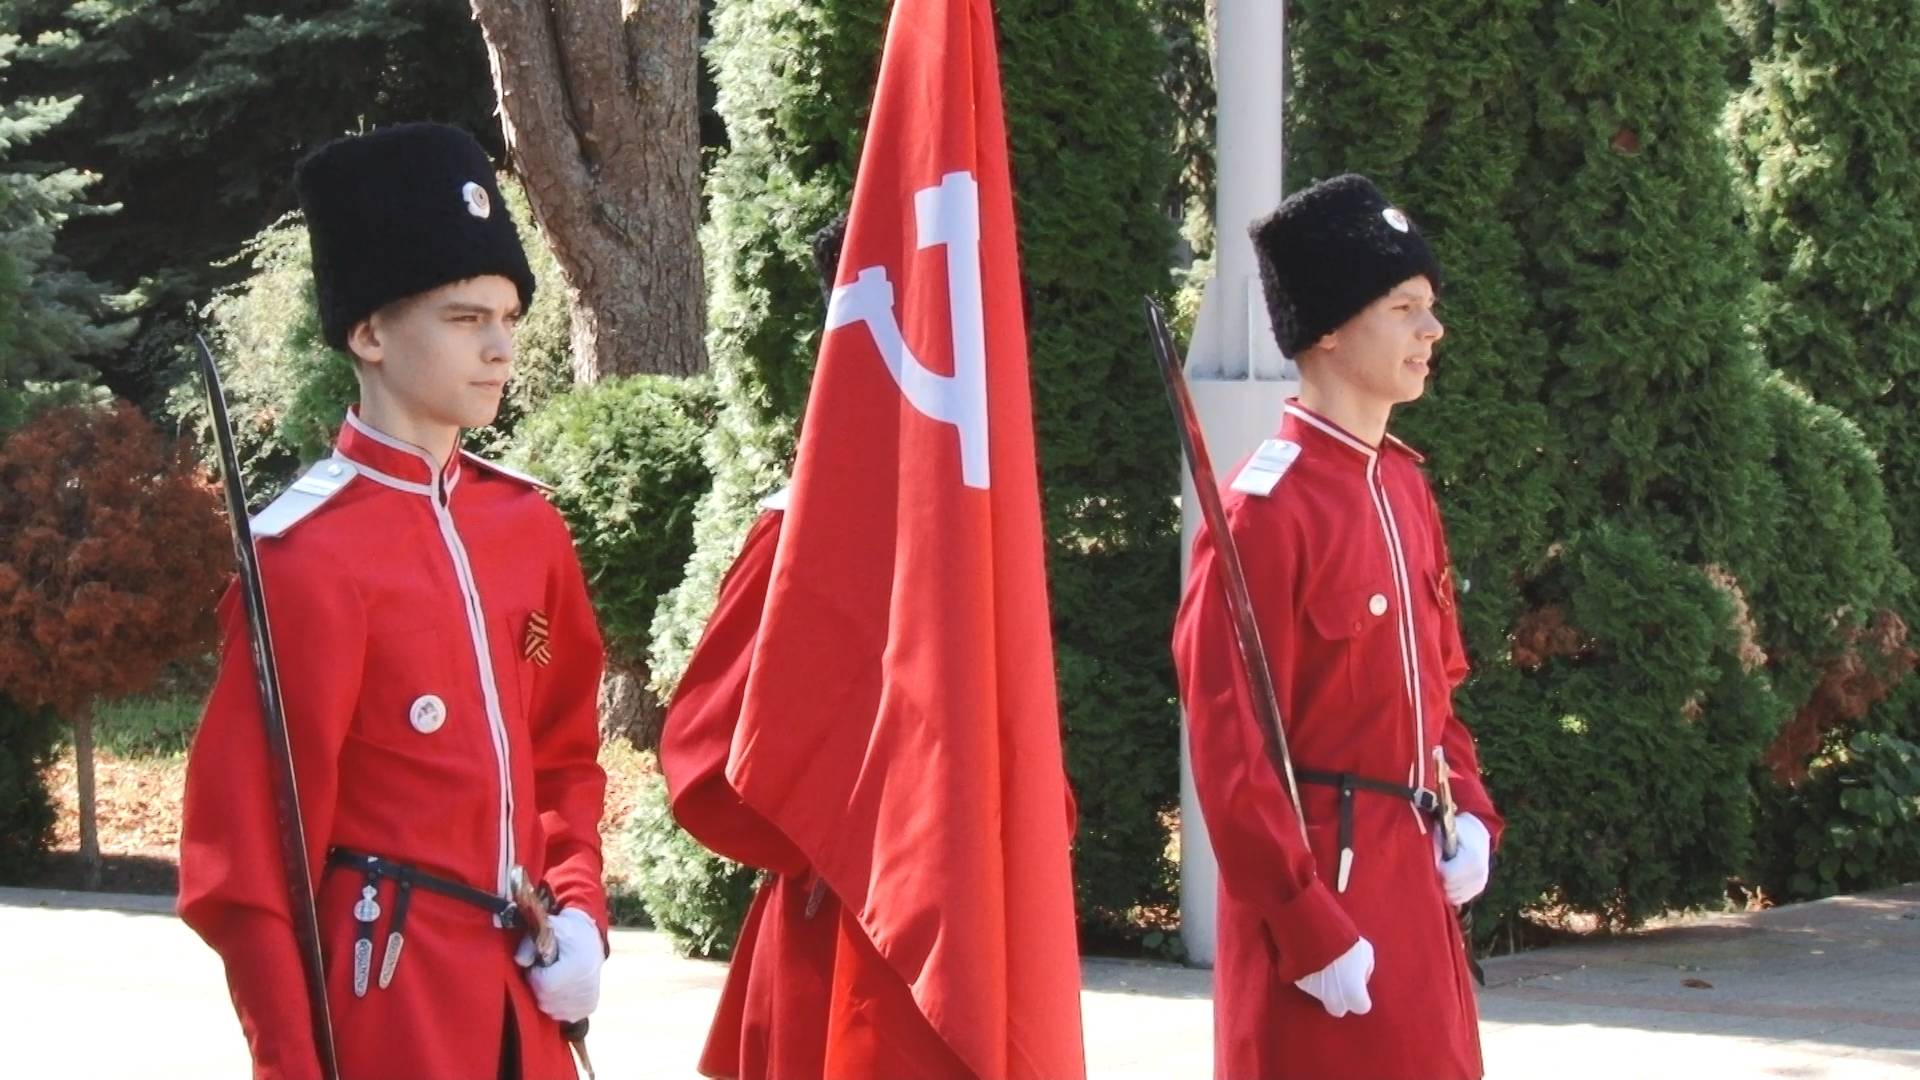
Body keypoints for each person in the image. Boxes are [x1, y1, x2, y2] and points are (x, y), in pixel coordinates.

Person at [178, 122, 608, 1080]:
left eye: (509, 318)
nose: (499, 348)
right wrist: (295, 1067)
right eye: (464, 318)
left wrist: (579, 908)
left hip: (528, 1010)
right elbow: (248, 868)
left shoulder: (528, 529)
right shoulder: (305, 559)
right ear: (369, 333)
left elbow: (563, 758)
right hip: (385, 1017)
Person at [1173, 173, 1503, 1079]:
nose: (1432, 329)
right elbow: (1232, 751)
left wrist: (1472, 813)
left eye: (1429, 305)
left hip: (1415, 883)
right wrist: (1305, 923)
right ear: (1327, 329)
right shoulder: (1262, 513)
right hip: (1325, 896)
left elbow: (1438, 689)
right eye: (1403, 308)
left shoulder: (1402, 485)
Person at [658, 213, 972, 1079]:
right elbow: (704, 760)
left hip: (980, 936)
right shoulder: (796, 532)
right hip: (840, 942)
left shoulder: (984, 528)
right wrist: (854, 842)